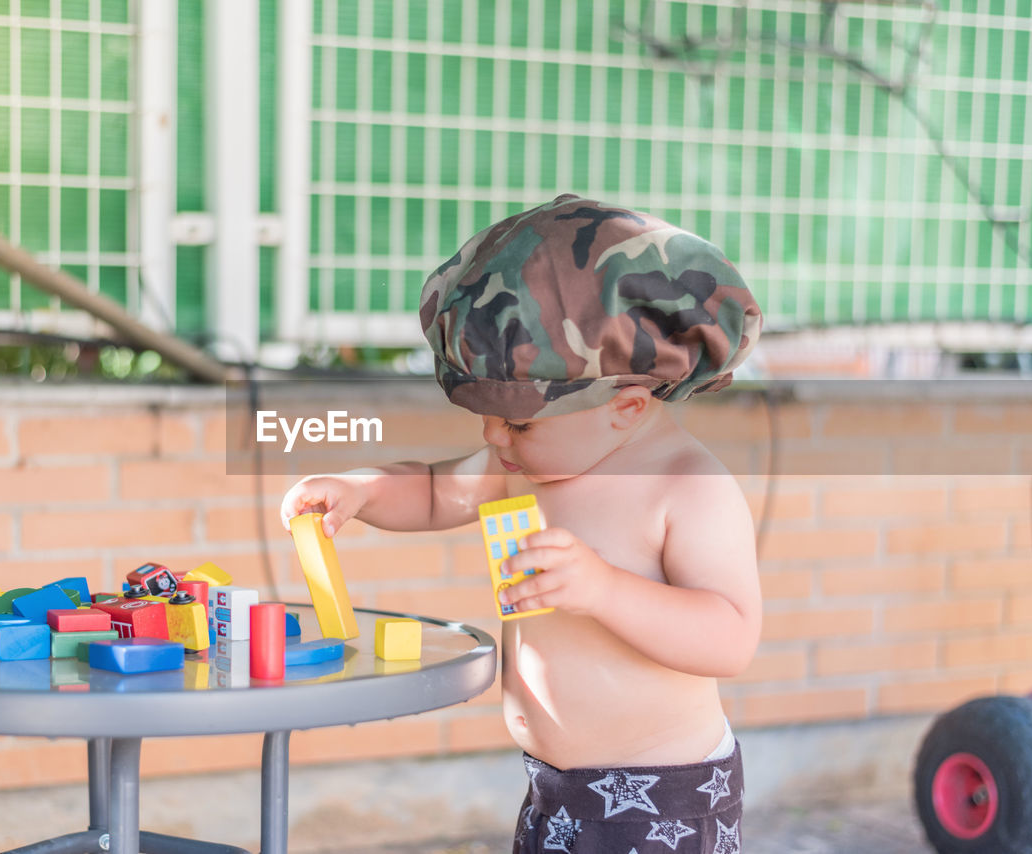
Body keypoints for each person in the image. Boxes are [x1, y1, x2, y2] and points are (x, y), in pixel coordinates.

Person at [281, 194, 764, 853]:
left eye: (518, 420)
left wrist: (604, 590)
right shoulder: (529, 463)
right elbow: (429, 491)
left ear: (625, 408)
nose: (492, 434)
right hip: (554, 794)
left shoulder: (685, 488)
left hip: (662, 802)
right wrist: (358, 490)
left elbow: (730, 637)